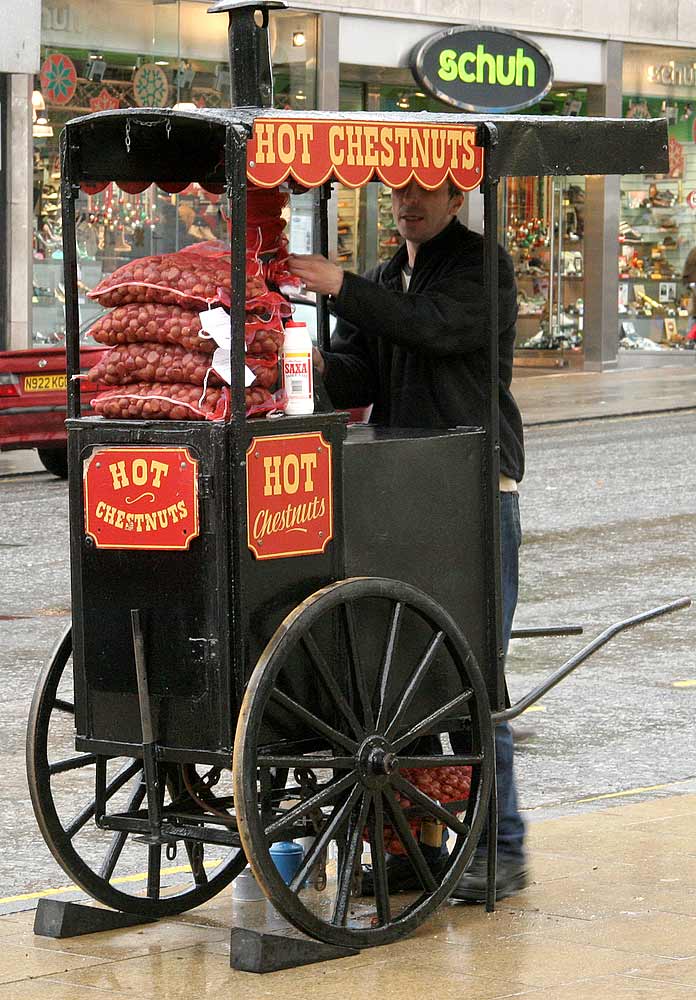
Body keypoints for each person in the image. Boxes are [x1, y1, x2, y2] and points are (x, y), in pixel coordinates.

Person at [287, 178, 527, 903]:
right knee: (398, 674)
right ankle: (403, 848)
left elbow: (430, 327)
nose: (409, 204)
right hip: (401, 488)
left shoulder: (484, 267)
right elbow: (363, 368)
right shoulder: (390, 274)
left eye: (425, 193)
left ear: (457, 199)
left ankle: (500, 845)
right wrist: (314, 362)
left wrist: (343, 285)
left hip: (477, 486)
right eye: (399, 194)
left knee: (472, 670)